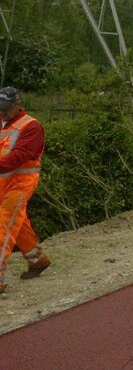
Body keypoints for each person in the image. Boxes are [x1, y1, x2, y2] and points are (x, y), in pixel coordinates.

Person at [0, 87, 50, 294]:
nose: (2, 113)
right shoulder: (2, 123)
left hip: (21, 182)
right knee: (17, 223)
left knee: (4, 223)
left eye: (6, 109)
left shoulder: (31, 126)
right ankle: (37, 260)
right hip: (3, 181)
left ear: (18, 105)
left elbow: (18, 157)